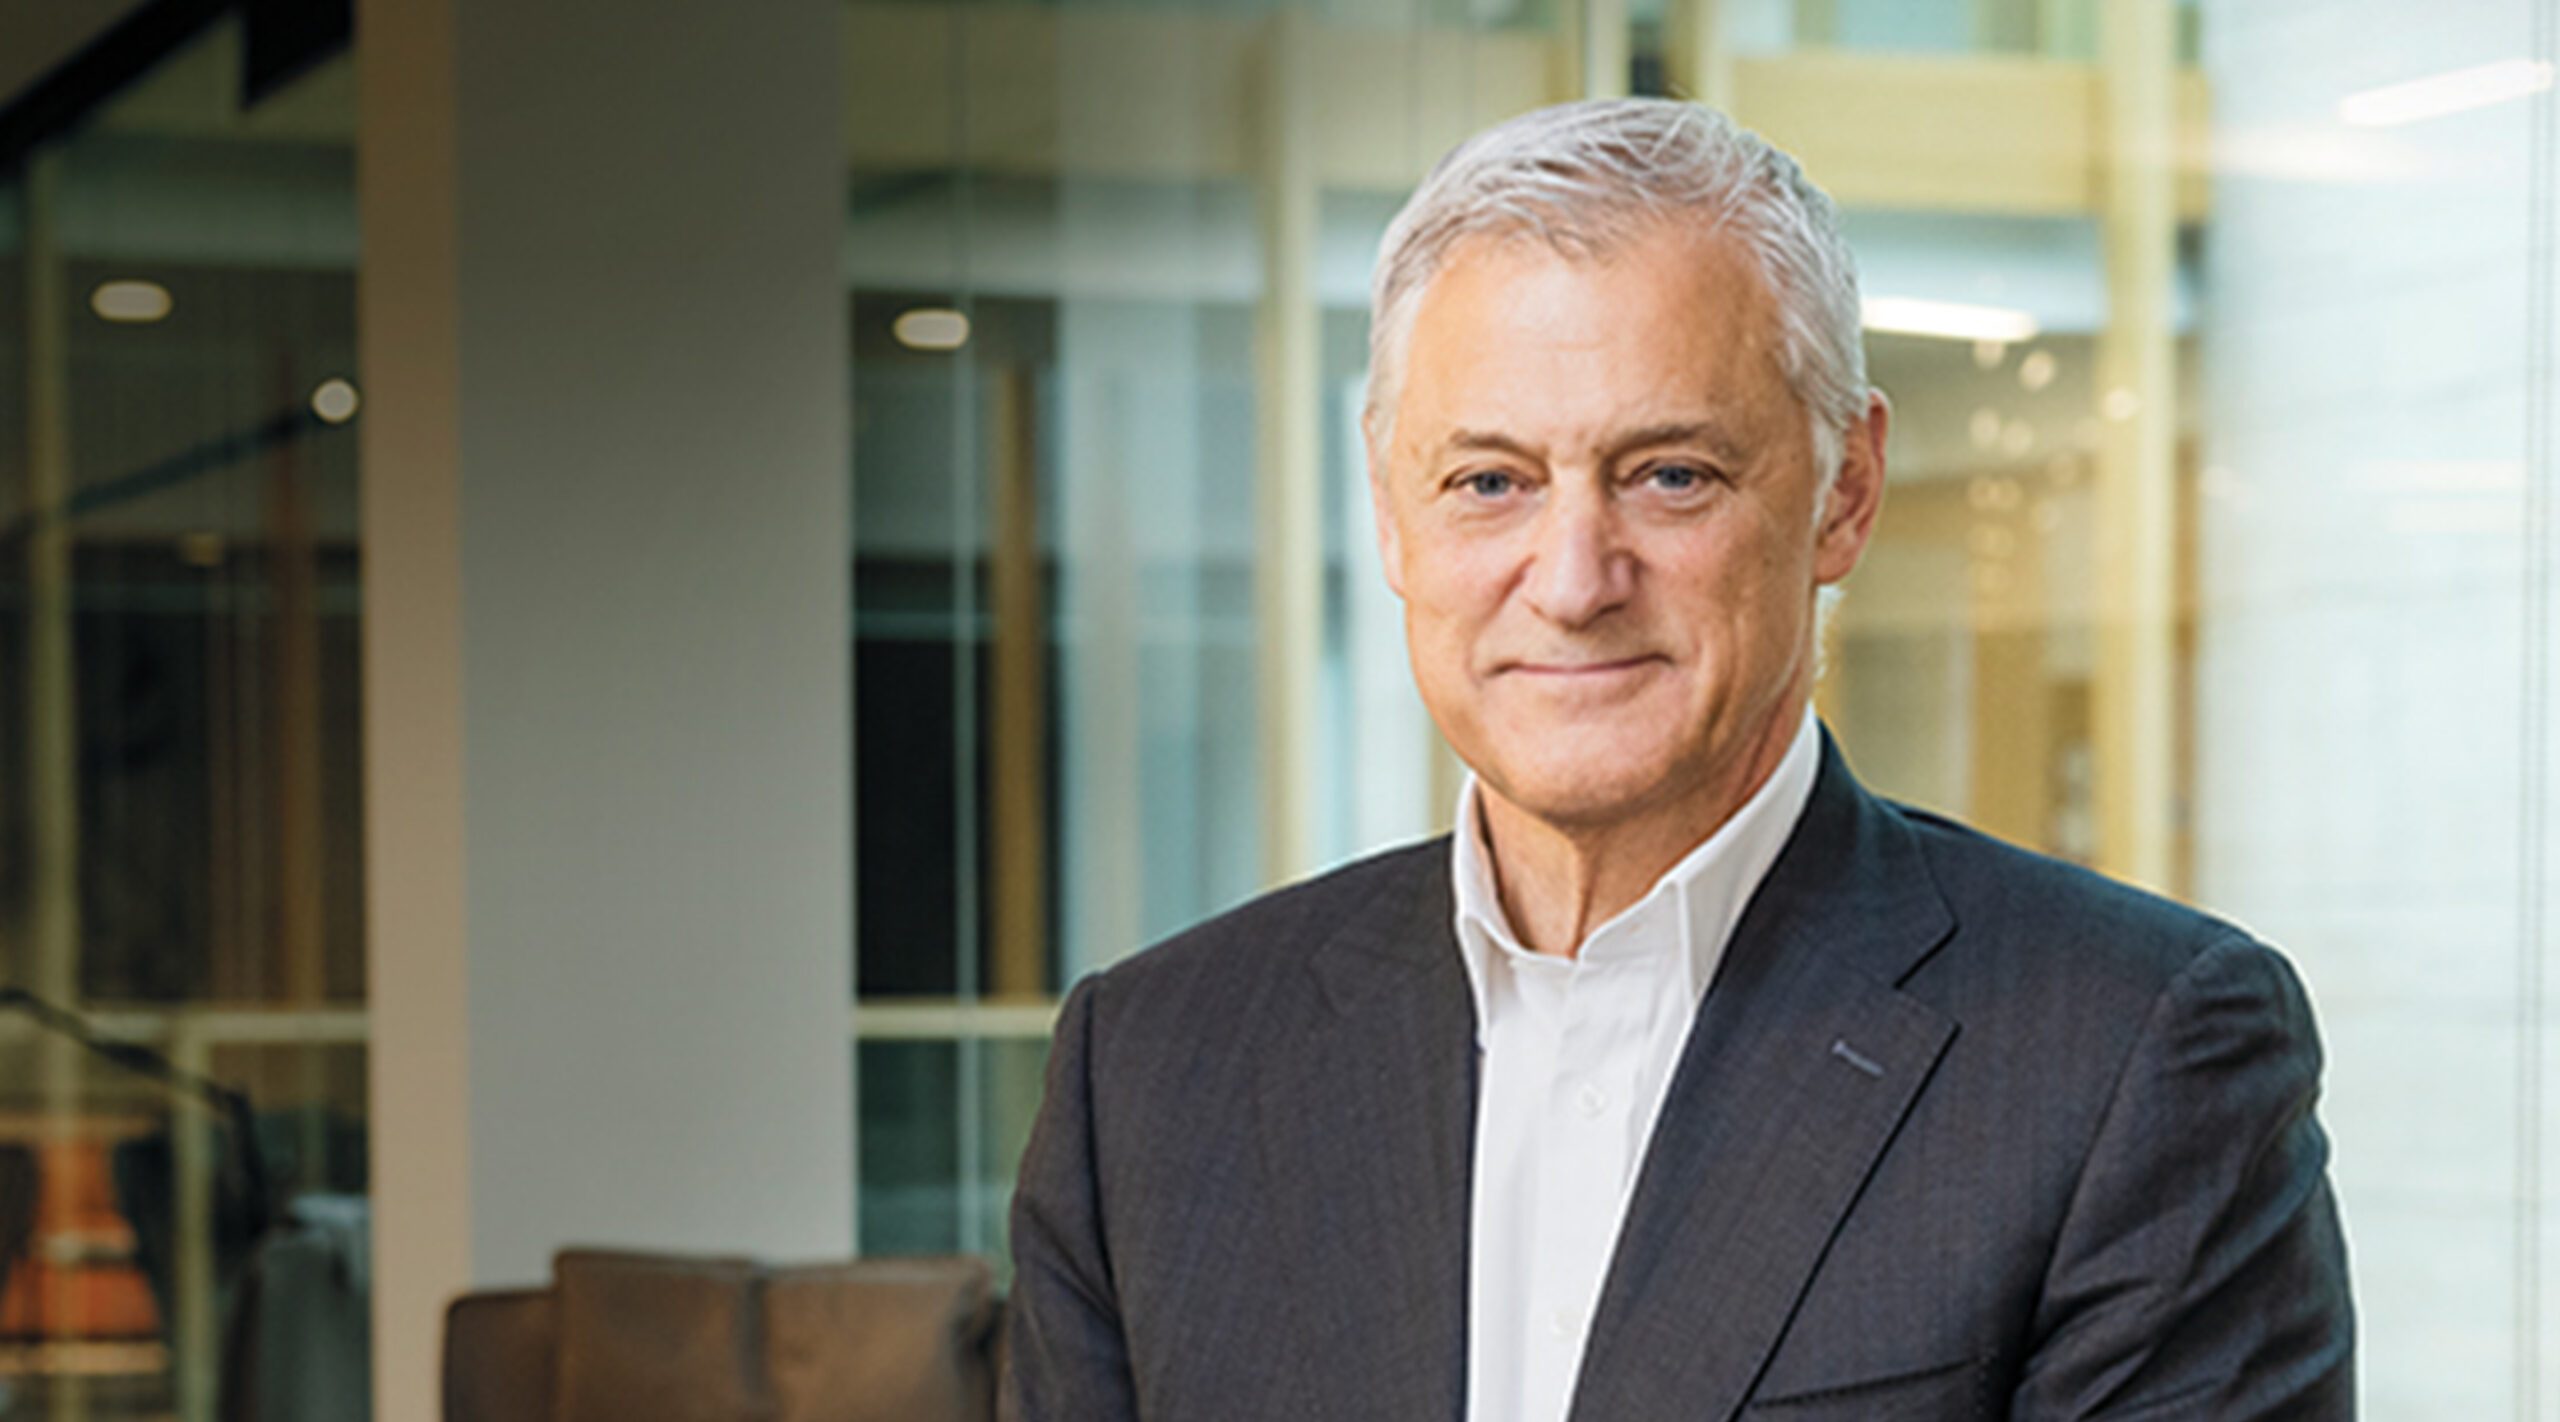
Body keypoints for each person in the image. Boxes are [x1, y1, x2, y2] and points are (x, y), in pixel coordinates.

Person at [1003, 97, 2354, 1422]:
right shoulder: (1151, 1071)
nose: (1575, 579)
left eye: (1671, 474)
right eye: (1491, 481)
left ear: (1845, 491)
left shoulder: (2133, 1054)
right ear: (1389, 506)